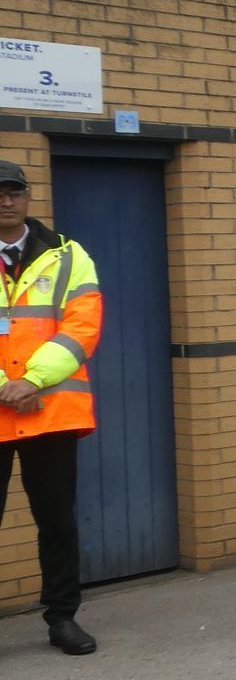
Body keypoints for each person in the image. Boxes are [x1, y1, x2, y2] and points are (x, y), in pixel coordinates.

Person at [0, 161, 103, 655]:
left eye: (13, 191)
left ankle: (62, 618)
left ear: (27, 196)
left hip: (50, 409)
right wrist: (6, 386)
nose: (5, 200)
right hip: (9, 401)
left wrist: (31, 380)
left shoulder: (69, 255)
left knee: (57, 522)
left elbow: (83, 325)